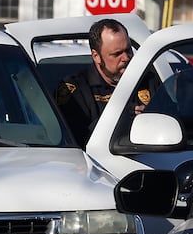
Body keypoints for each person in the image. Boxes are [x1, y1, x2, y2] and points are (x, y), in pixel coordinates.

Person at [54, 18, 148, 146]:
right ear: (96, 56)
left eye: (128, 50)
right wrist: (123, 116)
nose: (126, 58)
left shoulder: (147, 80)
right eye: (117, 54)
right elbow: (76, 142)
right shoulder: (76, 91)